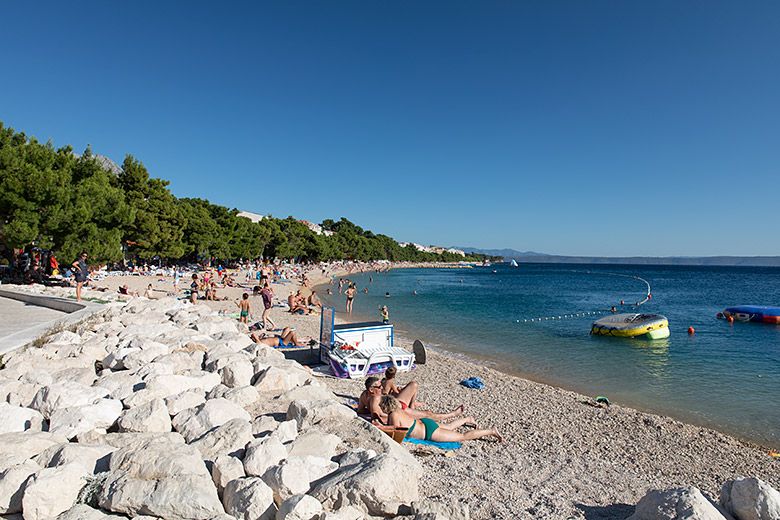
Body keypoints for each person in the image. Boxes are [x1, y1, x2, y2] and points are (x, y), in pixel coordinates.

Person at [380, 395, 502, 443]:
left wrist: (380, 427)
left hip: (429, 433)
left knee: (462, 437)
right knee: (448, 427)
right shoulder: (400, 411)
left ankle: (491, 431)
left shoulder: (393, 415)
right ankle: (467, 419)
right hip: (426, 424)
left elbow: (396, 436)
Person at [357, 376, 463, 424]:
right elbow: (376, 418)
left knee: (413, 384)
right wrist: (386, 417)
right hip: (399, 409)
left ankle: (412, 405)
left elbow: (360, 411)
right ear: (371, 389)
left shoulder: (364, 395)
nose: (381, 388)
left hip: (396, 403)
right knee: (428, 414)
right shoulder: (376, 398)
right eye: (379, 387)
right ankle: (452, 414)